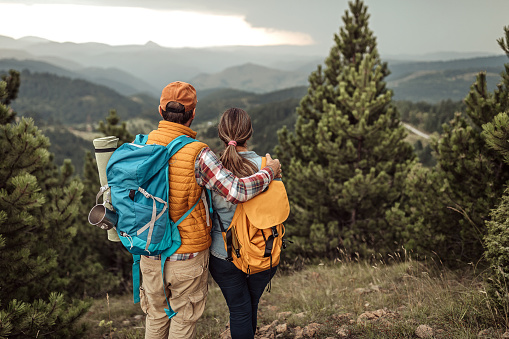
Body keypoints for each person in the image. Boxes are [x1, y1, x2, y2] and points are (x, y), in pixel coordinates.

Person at [139, 82, 281, 339]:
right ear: (193, 114)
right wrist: (269, 171)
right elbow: (237, 191)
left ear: (160, 110)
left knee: (156, 316)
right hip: (188, 253)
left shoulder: (140, 146)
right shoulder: (199, 155)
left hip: (149, 250)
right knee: (183, 320)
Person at [209, 107, 281, 339]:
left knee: (239, 310)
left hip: (223, 254)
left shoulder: (212, 169)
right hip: (263, 249)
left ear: (221, 134)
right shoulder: (267, 165)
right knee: (250, 305)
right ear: (248, 133)